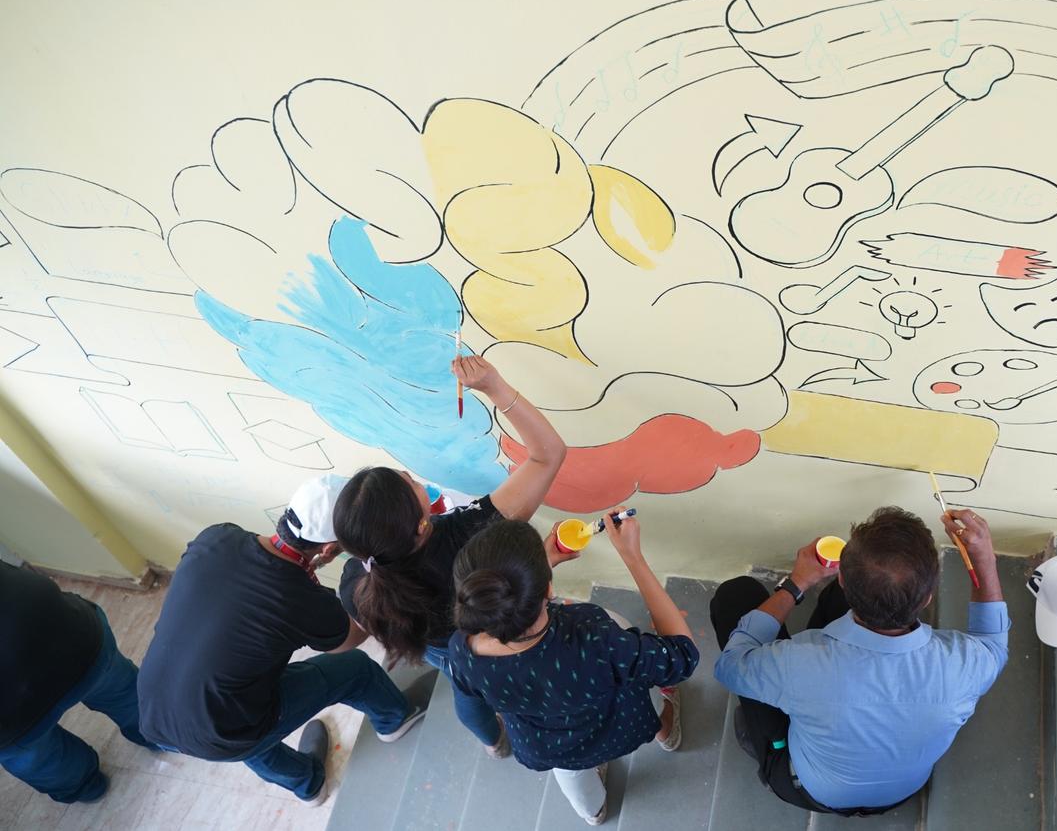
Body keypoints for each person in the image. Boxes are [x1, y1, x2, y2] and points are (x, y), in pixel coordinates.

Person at [332, 354, 566, 758]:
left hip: (443, 649)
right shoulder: (469, 532)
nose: (411, 476)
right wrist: (494, 386)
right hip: (494, 631)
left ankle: (493, 742)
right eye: (410, 483)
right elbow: (548, 454)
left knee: (467, 688)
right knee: (520, 678)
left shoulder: (357, 581)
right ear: (422, 525)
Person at [136, 484, 428, 806]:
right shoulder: (296, 597)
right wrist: (375, 588)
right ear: (329, 549)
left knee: (237, 725)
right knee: (355, 669)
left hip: (154, 709)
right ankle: (394, 719)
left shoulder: (217, 537)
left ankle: (307, 783)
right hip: (226, 726)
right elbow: (349, 638)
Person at [711, 507, 1009, 816]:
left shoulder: (798, 663)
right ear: (927, 597)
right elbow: (993, 644)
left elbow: (731, 666)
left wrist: (795, 584)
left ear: (841, 577)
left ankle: (766, 748)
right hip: (900, 792)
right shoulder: (966, 665)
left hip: (808, 789)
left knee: (736, 595)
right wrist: (985, 560)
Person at [449, 509, 697, 826]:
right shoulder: (592, 634)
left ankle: (593, 813)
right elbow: (683, 656)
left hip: (545, 745)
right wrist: (633, 557)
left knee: (571, 776)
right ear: (549, 590)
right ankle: (666, 733)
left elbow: (474, 698)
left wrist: (539, 571)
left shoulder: (462, 651)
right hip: (620, 727)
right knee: (644, 691)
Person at [1, 561, 158, 803]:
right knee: (122, 691)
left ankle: (87, 787)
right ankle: (155, 732)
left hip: (13, 718)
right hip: (73, 634)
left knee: (39, 757)